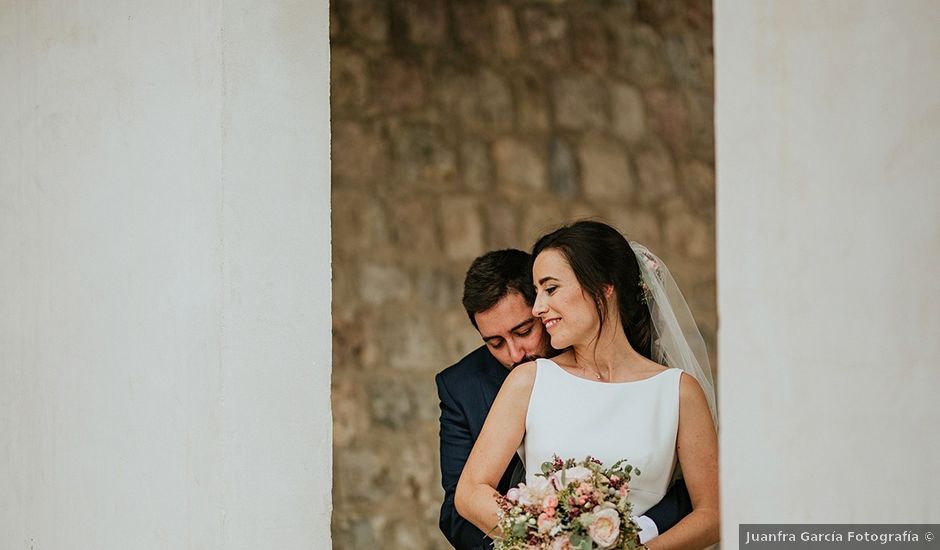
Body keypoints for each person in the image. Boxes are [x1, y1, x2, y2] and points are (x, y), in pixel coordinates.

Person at [454, 221, 720, 549]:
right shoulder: (529, 380)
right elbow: (470, 492)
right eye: (536, 292)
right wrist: (546, 539)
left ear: (602, 288)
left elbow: (712, 513)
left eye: (550, 289)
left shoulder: (679, 392)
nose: (538, 308)